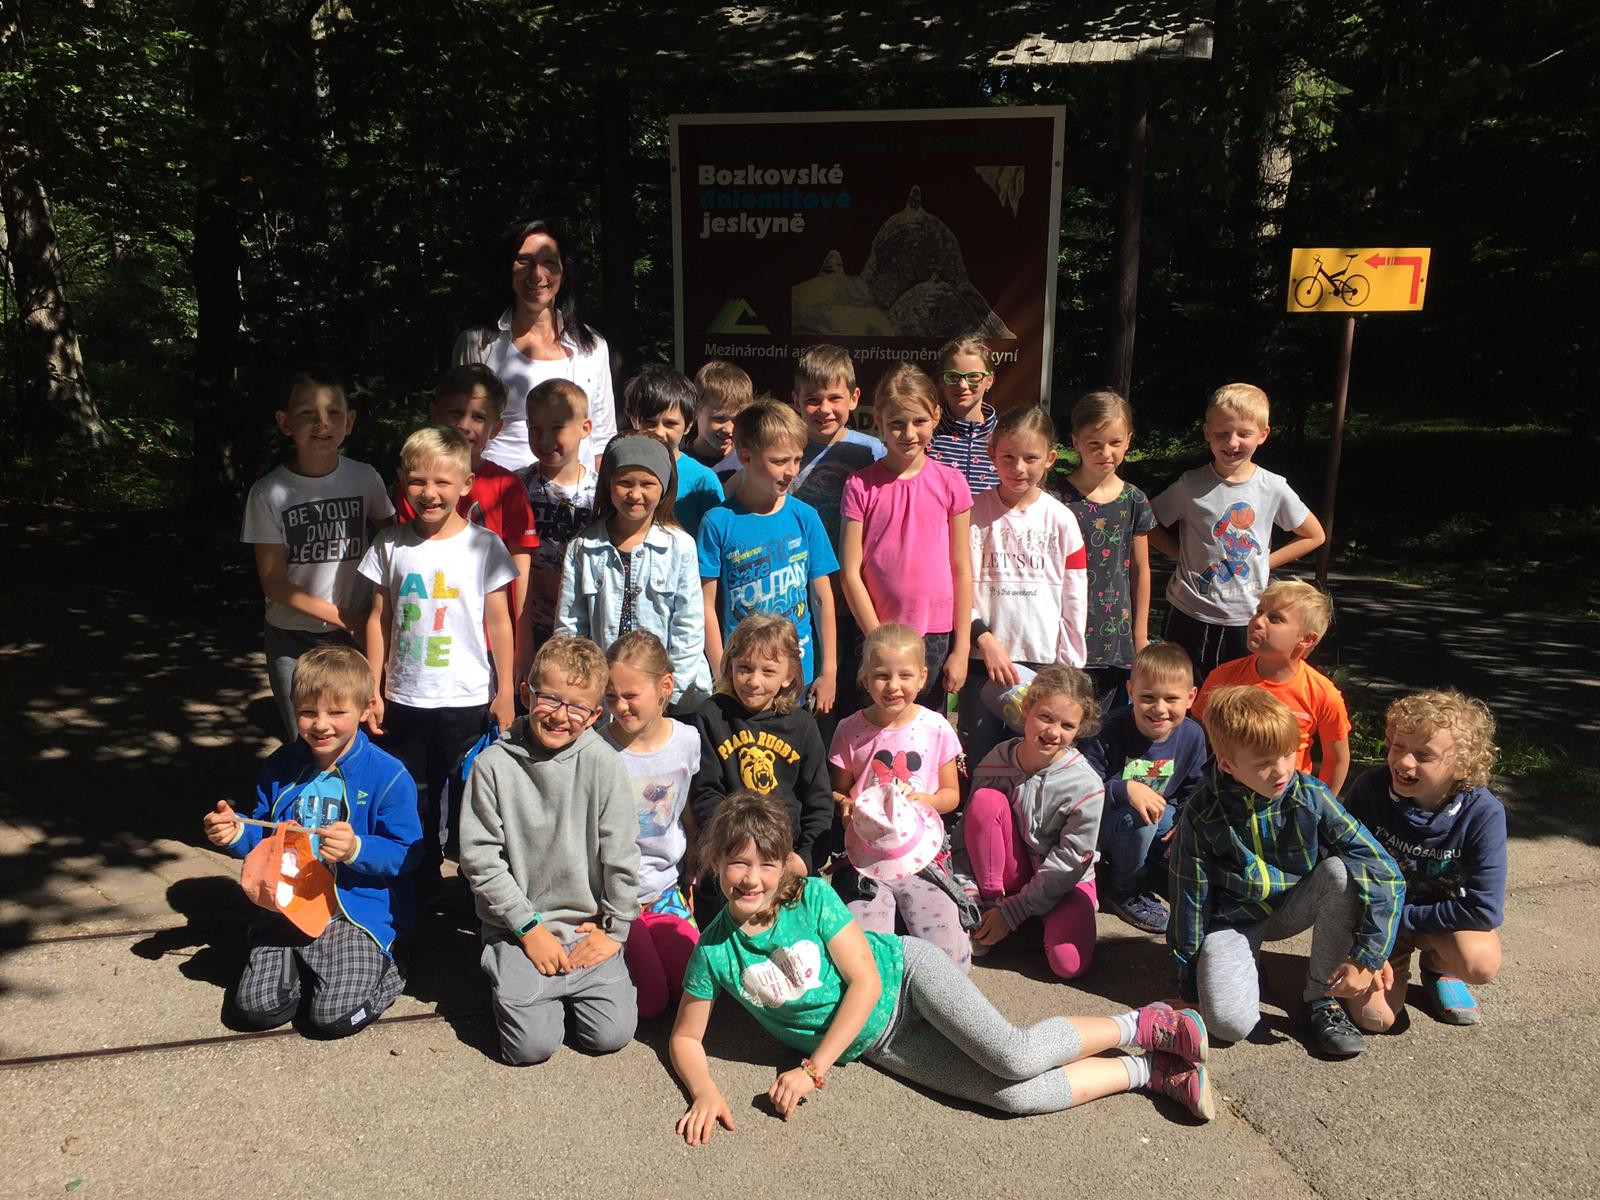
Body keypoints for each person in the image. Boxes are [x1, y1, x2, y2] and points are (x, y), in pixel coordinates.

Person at [669, 790, 1214, 1144]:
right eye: (738, 862)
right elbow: (686, 1037)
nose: (752, 877)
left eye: (766, 863)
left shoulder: (811, 896)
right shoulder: (714, 952)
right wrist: (704, 1092)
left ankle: (1145, 1025)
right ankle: (1153, 1073)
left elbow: (865, 983)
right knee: (1014, 1097)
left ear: (782, 864)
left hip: (907, 978)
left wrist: (813, 1070)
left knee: (1013, 1056)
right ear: (714, 862)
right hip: (879, 1042)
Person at [1171, 686, 1402, 1058]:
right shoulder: (1202, 810)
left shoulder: (1309, 794)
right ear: (1227, 764)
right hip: (1235, 919)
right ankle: (1249, 967)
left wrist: (1368, 954)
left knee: (1341, 872)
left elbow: (1382, 869)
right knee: (1228, 1026)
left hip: (1295, 904)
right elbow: (1190, 897)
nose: (1281, 769)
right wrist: (1189, 978)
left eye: (1287, 753)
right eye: (1264, 762)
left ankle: (1320, 999)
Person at [203, 646, 421, 1037]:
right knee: (256, 1010)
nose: (321, 725)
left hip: (354, 913)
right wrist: (236, 835)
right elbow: (265, 836)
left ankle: (391, 964)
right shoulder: (280, 765)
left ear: (366, 709)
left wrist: (357, 850)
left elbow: (408, 853)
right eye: (307, 712)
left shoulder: (388, 775)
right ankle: (307, 965)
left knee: (332, 1018)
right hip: (290, 906)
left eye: (336, 712)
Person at [459, 635, 640, 1065]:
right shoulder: (492, 766)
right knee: (530, 1048)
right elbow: (480, 859)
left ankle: (550, 990)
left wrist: (615, 931)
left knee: (611, 1034)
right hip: (518, 928)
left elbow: (621, 854)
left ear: (595, 715)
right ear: (527, 694)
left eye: (577, 707)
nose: (561, 715)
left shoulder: (604, 763)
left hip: (585, 925)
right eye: (550, 699)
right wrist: (529, 930)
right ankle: (507, 973)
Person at [359, 426, 517, 890]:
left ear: (466, 484)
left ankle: (478, 885)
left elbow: (500, 622)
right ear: (401, 481)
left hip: (466, 698)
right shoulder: (389, 546)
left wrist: (506, 690)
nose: (430, 493)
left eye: (442, 482)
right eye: (418, 481)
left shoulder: (485, 546)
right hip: (405, 696)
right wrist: (372, 687)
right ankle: (418, 880)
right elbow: (378, 618)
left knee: (471, 796)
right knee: (413, 796)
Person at [242, 365, 394, 737]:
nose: (322, 423)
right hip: (291, 638)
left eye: (333, 413)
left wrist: (378, 615)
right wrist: (347, 617)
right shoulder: (267, 493)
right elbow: (275, 584)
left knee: (359, 735)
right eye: (307, 413)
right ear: (285, 422)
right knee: (307, 738)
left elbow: (395, 545)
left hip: (356, 634)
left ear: (350, 421)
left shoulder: (365, 478)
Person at [1342, 690, 1506, 1030]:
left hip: (1436, 923)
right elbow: (1343, 870)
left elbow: (1483, 909)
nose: (1403, 762)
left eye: (1423, 755)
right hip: (1378, 924)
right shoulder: (1369, 789)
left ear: (1462, 765)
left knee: (1480, 962)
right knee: (1377, 1020)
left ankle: (1437, 967)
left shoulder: (1483, 812)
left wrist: (1400, 920)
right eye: (1397, 746)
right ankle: (1391, 961)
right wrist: (1371, 942)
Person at [1148, 383, 1325, 678]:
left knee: (1240, 693)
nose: (1232, 443)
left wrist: (1265, 562)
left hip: (1248, 617)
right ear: (1207, 433)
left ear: (1263, 434)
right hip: (1190, 612)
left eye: (1244, 434)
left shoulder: (1273, 487)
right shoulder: (1191, 485)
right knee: (1183, 687)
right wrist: (1180, 555)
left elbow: (1314, 535)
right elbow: (1147, 524)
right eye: (1222, 434)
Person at [828, 624, 968, 970]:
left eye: (905, 675)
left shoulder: (936, 727)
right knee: (865, 954)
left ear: (922, 677)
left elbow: (951, 795)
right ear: (864, 679)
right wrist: (845, 804)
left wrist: (921, 800)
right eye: (881, 676)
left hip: (922, 854)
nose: (893, 686)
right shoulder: (849, 729)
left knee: (948, 954)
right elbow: (837, 790)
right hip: (866, 853)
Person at [957, 666, 1105, 981]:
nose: (1053, 732)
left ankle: (1023, 918)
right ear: (1026, 708)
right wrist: (968, 892)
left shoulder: (1086, 785)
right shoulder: (998, 760)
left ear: (1079, 729)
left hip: (1064, 883)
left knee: (1068, 965)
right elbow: (966, 835)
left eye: (1067, 725)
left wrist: (1015, 911)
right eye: (1046, 717)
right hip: (1012, 871)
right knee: (985, 801)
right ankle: (988, 909)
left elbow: (1071, 860)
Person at [962, 404, 1088, 771]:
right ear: (992, 454)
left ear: (1050, 458)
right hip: (983, 662)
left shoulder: (1062, 520)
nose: (1018, 467)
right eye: (1009, 457)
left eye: (1030, 458)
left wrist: (1068, 668)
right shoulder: (970, 514)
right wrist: (983, 640)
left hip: (1042, 663)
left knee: (1034, 763)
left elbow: (1075, 598)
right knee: (982, 761)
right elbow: (956, 584)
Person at [840, 364, 973, 710]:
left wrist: (962, 649)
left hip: (934, 633)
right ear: (879, 419)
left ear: (936, 416)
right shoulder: (860, 485)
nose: (908, 433)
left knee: (923, 727)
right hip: (874, 630)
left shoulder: (951, 483)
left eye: (919, 421)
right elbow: (850, 571)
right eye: (897, 423)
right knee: (869, 726)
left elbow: (961, 568)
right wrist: (876, 637)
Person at [687, 614, 832, 923]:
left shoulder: (802, 725)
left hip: (786, 858)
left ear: (788, 676)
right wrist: (733, 848)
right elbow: (705, 793)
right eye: (744, 668)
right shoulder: (711, 716)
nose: (754, 681)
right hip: (730, 857)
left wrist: (806, 858)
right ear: (729, 667)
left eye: (768, 671)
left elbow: (819, 800)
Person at [698, 400, 839, 712]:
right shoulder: (718, 522)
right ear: (746, 457)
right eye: (779, 461)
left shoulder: (806, 517)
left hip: (796, 677)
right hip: (742, 679)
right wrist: (722, 673)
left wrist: (829, 670)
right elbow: (706, 605)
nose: (791, 471)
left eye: (797, 459)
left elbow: (821, 597)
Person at [556, 432, 711, 711]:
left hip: (668, 698)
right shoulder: (583, 547)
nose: (635, 494)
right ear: (608, 483)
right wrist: (580, 688)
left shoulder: (680, 546)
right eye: (625, 483)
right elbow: (570, 628)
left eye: (647, 484)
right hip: (607, 697)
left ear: (664, 487)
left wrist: (670, 693)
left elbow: (688, 628)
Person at [452, 218, 615, 472]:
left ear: (563, 271)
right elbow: (457, 433)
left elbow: (602, 441)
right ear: (508, 269)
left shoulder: (592, 347)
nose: (537, 275)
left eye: (548, 262)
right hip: (498, 490)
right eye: (524, 261)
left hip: (575, 494)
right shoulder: (479, 343)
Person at [601, 631, 703, 1019]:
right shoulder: (600, 749)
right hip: (616, 895)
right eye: (611, 696)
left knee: (695, 987)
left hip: (664, 888)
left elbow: (685, 807)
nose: (620, 707)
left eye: (630, 695)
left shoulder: (687, 741)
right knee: (650, 1003)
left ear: (665, 687)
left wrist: (691, 867)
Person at [393, 364, 538, 633]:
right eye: (455, 413)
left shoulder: (508, 487)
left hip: (488, 633)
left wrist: (523, 640)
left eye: (479, 417)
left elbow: (521, 570)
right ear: (435, 413)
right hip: (426, 627)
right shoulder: (415, 488)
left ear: (496, 428)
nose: (464, 425)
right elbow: (406, 560)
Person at [1081, 642, 1207, 935]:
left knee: (1186, 827)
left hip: (1157, 817)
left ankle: (1143, 869)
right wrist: (1123, 789)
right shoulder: (1106, 730)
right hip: (1102, 819)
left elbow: (1194, 790)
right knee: (1143, 813)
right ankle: (1124, 890)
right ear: (1130, 692)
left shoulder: (1193, 735)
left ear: (1191, 697)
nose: (1159, 709)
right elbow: (1080, 790)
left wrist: (1187, 823)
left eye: (1171, 699)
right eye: (1148, 697)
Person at [1192, 580, 1352, 794]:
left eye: (1275, 618)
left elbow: (1336, 759)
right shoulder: (1223, 678)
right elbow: (1196, 736)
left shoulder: (1322, 693)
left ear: (1306, 639)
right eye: (1259, 611)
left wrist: (1322, 804)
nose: (1258, 621)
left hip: (1287, 797)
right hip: (1227, 793)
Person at [1057, 388, 1156, 712]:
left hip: (1116, 638)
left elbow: (1140, 570)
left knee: (1109, 724)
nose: (1105, 452)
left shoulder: (1134, 500)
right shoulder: (1056, 498)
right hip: (1064, 633)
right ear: (1075, 442)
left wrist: (1140, 635)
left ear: (1128, 441)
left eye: (1115, 442)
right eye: (1094, 444)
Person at [515, 378, 598, 678]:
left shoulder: (600, 492)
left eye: (556, 427)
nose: (544, 438)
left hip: (582, 623)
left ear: (585, 428)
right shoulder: (517, 486)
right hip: (528, 619)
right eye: (535, 428)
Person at [622, 364, 725, 538]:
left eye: (670, 424)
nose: (659, 432)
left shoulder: (702, 479)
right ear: (634, 420)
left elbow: (718, 537)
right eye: (649, 422)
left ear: (688, 425)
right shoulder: (621, 472)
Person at [928, 333, 1000, 494]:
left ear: (989, 380)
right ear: (941, 381)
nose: (962, 385)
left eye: (974, 377)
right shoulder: (927, 435)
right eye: (952, 377)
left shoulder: (1005, 437)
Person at [687, 360, 753, 471]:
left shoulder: (751, 463)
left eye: (737, 419)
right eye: (720, 418)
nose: (729, 429)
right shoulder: (676, 467)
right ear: (696, 410)